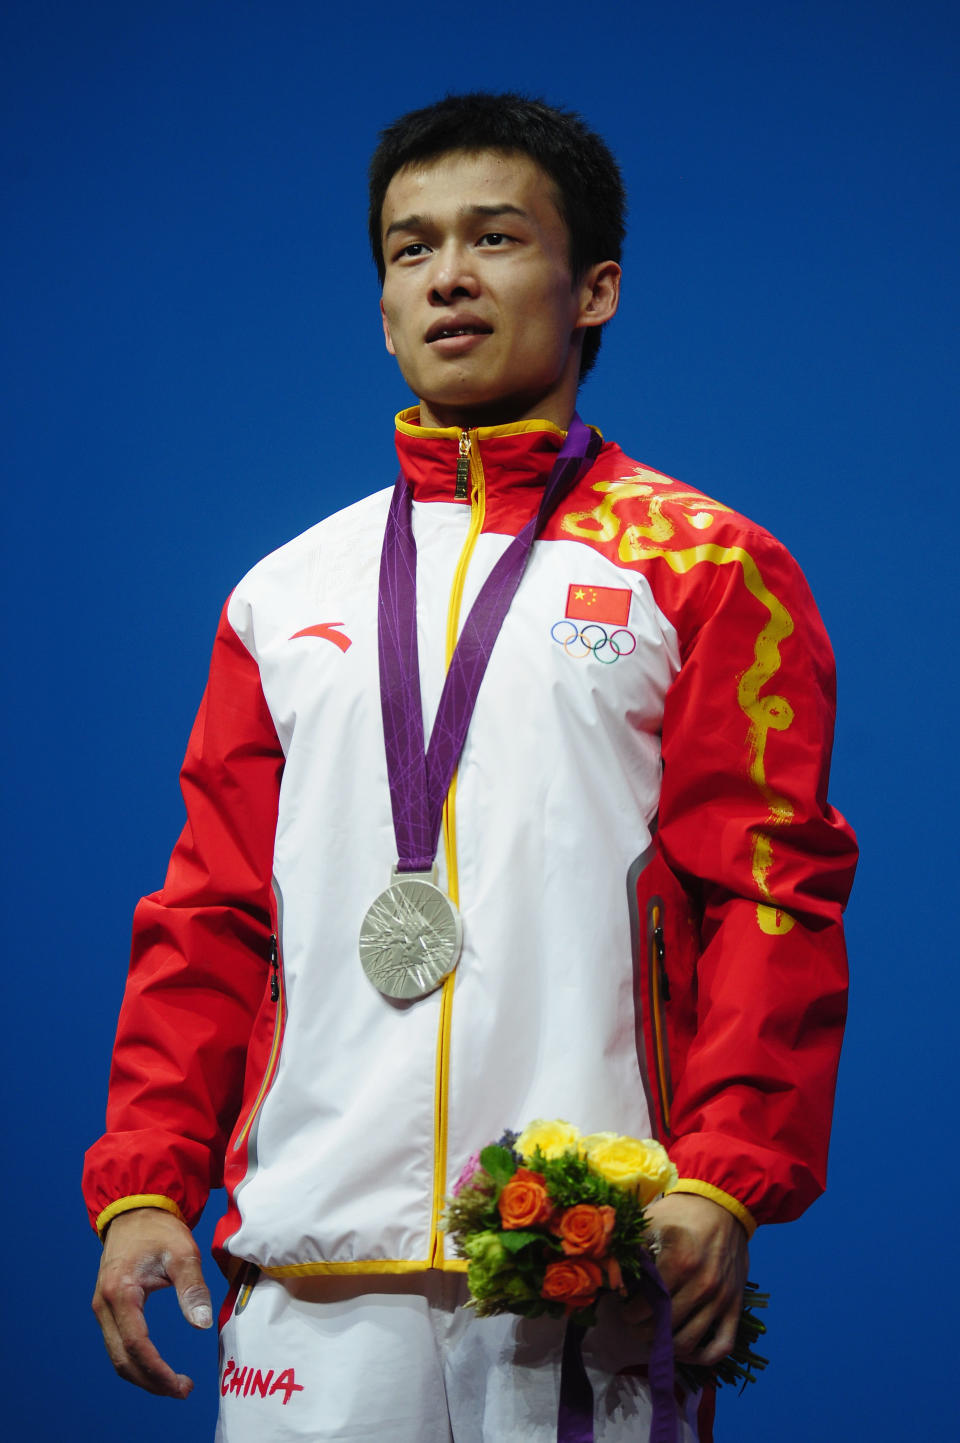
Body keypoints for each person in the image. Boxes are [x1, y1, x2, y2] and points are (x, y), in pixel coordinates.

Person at [84, 93, 857, 1442]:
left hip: (589, 1259)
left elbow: (770, 897)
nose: (446, 276)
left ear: (595, 286)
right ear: (382, 301)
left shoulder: (709, 566)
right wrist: (148, 1181)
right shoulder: (282, 593)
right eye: (407, 248)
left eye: (494, 238)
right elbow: (209, 917)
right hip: (314, 1271)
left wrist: (724, 1177)